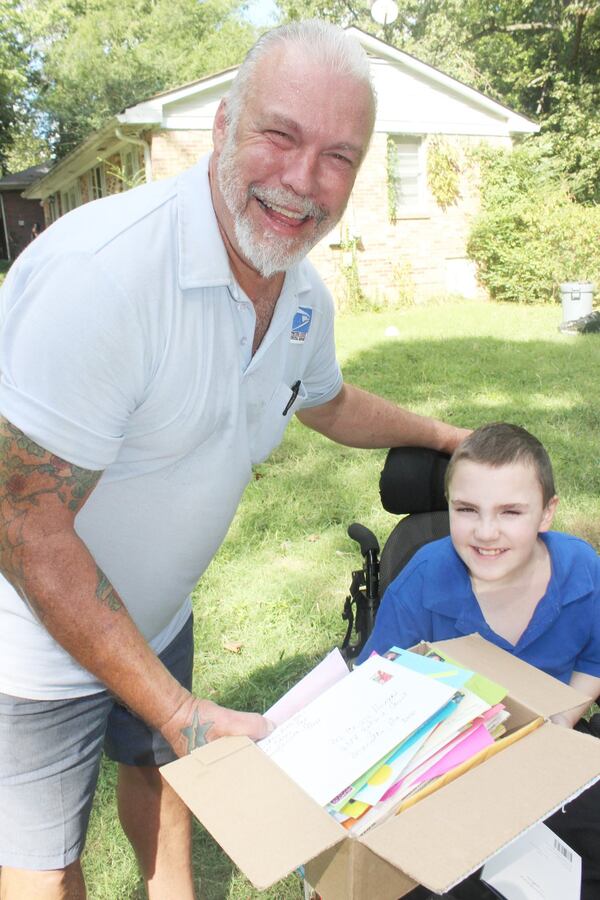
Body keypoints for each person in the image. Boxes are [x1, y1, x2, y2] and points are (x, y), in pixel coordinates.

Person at [0, 20, 468, 900]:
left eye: (338, 156)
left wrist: (444, 438)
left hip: (158, 612)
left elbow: (323, 397)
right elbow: (20, 521)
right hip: (27, 637)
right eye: (278, 135)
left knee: (167, 774)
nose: (302, 181)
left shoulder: (299, 295)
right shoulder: (104, 279)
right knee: (43, 863)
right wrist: (183, 712)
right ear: (221, 127)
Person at [358, 422, 600, 899]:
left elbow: (594, 661)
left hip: (551, 747)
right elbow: (375, 692)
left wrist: (560, 721)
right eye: (467, 510)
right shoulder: (422, 583)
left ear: (547, 513)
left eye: (511, 512)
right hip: (445, 771)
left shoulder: (583, 570)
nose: (486, 532)